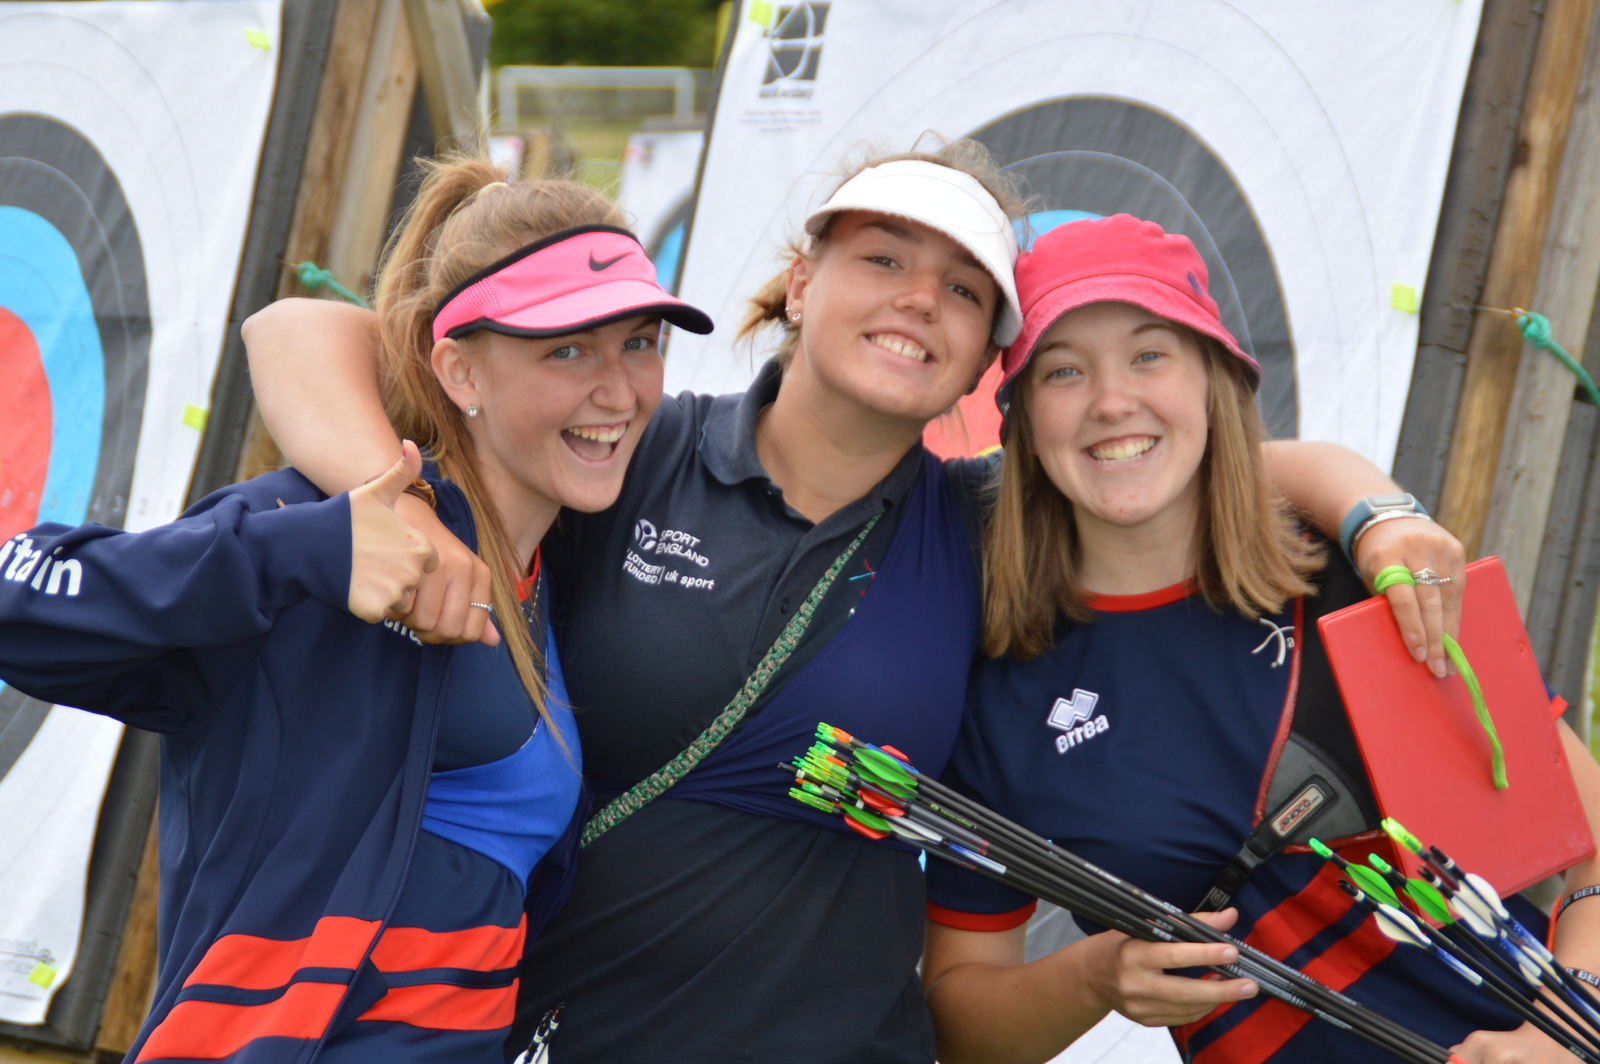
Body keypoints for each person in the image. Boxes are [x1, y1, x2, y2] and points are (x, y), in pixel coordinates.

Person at [242, 140, 1469, 1063]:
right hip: (578, 1022)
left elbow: (1232, 463)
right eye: (882, 258)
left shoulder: (989, 521)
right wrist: (384, 498)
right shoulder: (627, 451)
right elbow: (302, 330)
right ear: (800, 277)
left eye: (962, 288)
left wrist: (1379, 513)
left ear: (989, 354)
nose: (916, 299)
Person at [0, 157, 712, 1064]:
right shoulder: (326, 534)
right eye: (566, 349)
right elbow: (19, 596)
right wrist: (304, 549)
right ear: (459, 371)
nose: (618, 392)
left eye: (640, 341)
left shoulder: (552, 565)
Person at [919, 214, 1600, 1064]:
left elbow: (1591, 842)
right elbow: (962, 1023)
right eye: (1063, 371)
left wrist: (1569, 1026)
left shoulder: (1352, 586)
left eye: (1150, 354)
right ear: (1019, 421)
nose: (1111, 400)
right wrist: (1095, 976)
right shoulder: (995, 683)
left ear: (1215, 381)